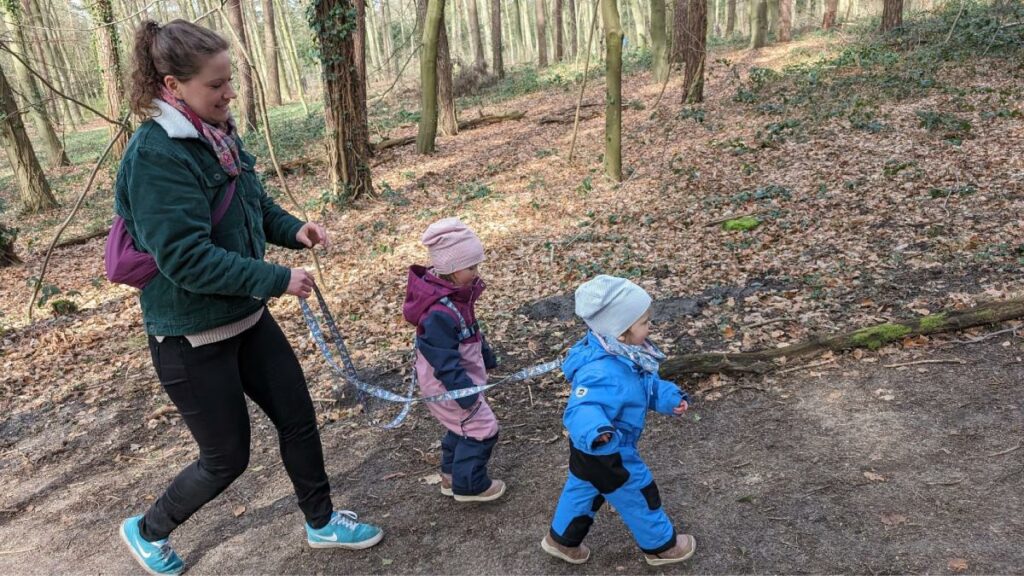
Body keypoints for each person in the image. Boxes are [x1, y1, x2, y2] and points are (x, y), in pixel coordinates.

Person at [114, 19, 381, 576]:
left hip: (246, 318)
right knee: (225, 459)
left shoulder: (219, 135)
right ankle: (147, 529)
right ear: (172, 86)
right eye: (215, 84)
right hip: (190, 336)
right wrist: (276, 279)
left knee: (298, 419)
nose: (228, 93)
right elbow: (184, 258)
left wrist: (295, 229)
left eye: (229, 80)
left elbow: (252, 206)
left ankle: (322, 522)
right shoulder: (157, 156)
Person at [541, 275, 696, 566]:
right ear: (620, 331)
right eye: (644, 322)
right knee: (639, 492)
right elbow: (582, 407)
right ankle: (662, 546)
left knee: (582, 490)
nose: (651, 326)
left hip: (589, 452)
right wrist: (598, 432)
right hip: (609, 448)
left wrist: (669, 397)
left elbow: (644, 387)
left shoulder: (625, 355)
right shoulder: (601, 370)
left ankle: (561, 541)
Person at [402, 218, 506, 502]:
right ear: (450, 268)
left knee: (463, 426)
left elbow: (472, 332)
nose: (476, 273)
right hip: (449, 386)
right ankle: (470, 485)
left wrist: (486, 358)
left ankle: (450, 475)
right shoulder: (439, 313)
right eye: (471, 267)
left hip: (462, 381)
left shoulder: (457, 299)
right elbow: (444, 361)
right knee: (483, 429)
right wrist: (464, 393)